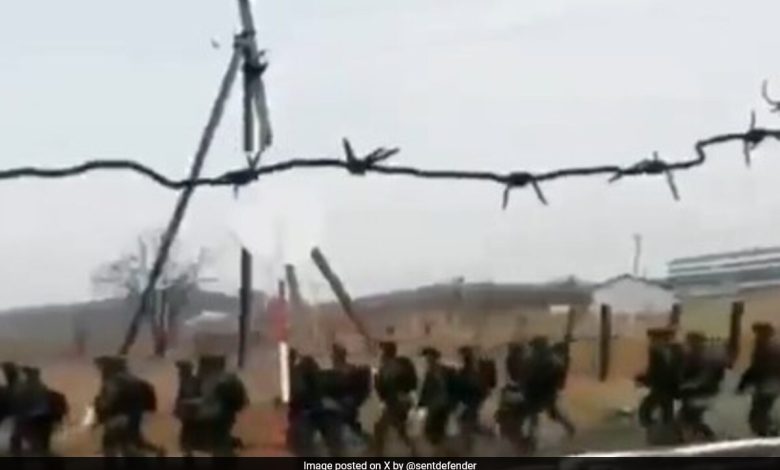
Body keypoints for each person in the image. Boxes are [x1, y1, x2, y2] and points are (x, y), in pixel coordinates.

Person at [677, 331, 727, 442]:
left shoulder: (698, 356)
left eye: (689, 341)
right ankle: (704, 437)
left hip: (697, 392)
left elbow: (704, 376)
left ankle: (700, 438)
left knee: (688, 418)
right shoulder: (708, 355)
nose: (687, 344)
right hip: (705, 392)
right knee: (691, 418)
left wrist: (688, 385)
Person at [524, 336, 576, 441]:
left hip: (543, 391)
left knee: (539, 414)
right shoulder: (544, 358)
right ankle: (569, 428)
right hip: (540, 391)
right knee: (540, 414)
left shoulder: (548, 359)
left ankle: (570, 429)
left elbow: (558, 375)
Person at [635, 327, 681, 442]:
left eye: (653, 340)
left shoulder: (665, 351)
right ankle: (668, 433)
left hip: (666, 386)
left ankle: (664, 433)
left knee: (646, 409)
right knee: (663, 408)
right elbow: (654, 371)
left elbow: (659, 372)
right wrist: (643, 379)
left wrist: (644, 380)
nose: (651, 342)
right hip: (665, 386)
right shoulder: (666, 350)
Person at [373, 341, 418, 457]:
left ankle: (378, 455)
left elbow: (382, 388)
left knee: (381, 429)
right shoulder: (394, 365)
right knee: (398, 429)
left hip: (397, 402)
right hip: (396, 401)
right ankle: (415, 452)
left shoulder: (395, 365)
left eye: (383, 350)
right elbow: (381, 387)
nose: (382, 353)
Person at [737, 322, 780, 437]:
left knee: (758, 413)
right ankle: (769, 432)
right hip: (773, 384)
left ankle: (767, 435)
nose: (756, 336)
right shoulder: (773, 347)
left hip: (766, 384)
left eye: (758, 333)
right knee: (762, 411)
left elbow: (757, 367)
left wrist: (743, 383)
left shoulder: (762, 347)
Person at [453, 346, 494, 453]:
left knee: (467, 428)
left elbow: (467, 389)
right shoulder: (473, 373)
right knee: (470, 426)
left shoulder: (467, 373)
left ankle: (468, 451)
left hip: (468, 404)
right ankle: (486, 437)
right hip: (470, 404)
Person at [417, 347, 455, 454]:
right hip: (437, 406)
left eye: (429, 358)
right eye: (427, 358)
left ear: (434, 358)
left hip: (439, 406)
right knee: (434, 431)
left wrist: (422, 403)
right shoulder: (432, 372)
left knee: (434, 431)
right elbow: (426, 389)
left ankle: (441, 454)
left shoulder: (440, 371)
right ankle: (440, 453)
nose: (427, 360)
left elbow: (437, 387)